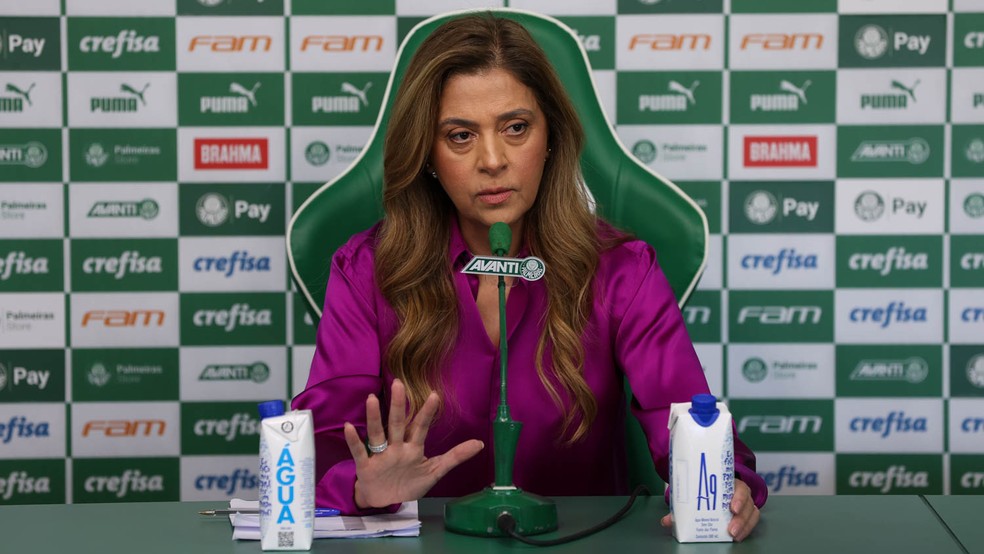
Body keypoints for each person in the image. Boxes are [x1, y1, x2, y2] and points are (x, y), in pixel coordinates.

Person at [291, 13, 766, 541]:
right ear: (426, 153)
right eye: (460, 135)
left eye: (515, 128)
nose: (493, 161)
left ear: (551, 137)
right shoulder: (367, 270)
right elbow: (319, 454)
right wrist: (361, 487)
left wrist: (722, 485)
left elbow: (687, 422)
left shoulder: (622, 268)